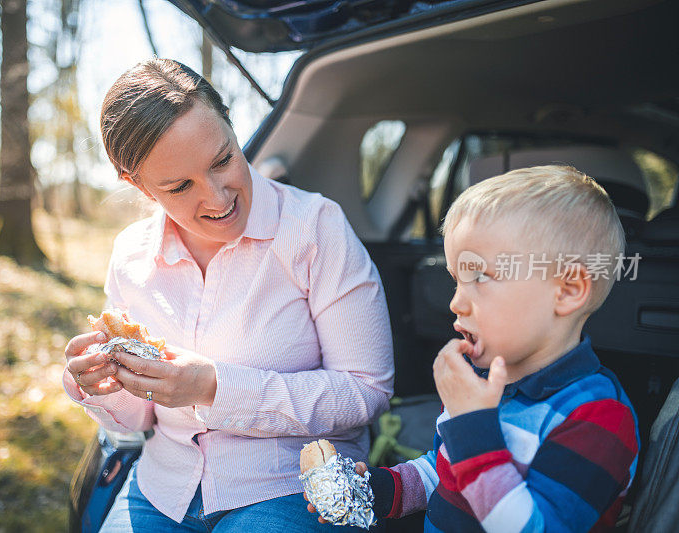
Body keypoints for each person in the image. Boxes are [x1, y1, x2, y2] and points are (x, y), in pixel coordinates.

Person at [62, 58, 394, 532]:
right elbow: (139, 421)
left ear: (233, 130)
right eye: (180, 186)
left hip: (292, 487)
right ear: (136, 184)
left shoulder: (316, 229)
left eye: (223, 160)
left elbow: (367, 390)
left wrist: (213, 387)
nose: (219, 198)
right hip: (163, 489)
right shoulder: (130, 256)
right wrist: (100, 387)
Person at [307, 165, 639, 531]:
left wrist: (471, 427)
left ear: (567, 290)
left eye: (481, 277)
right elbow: (446, 471)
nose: (456, 303)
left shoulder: (597, 417)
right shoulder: (483, 384)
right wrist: (385, 490)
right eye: (456, 281)